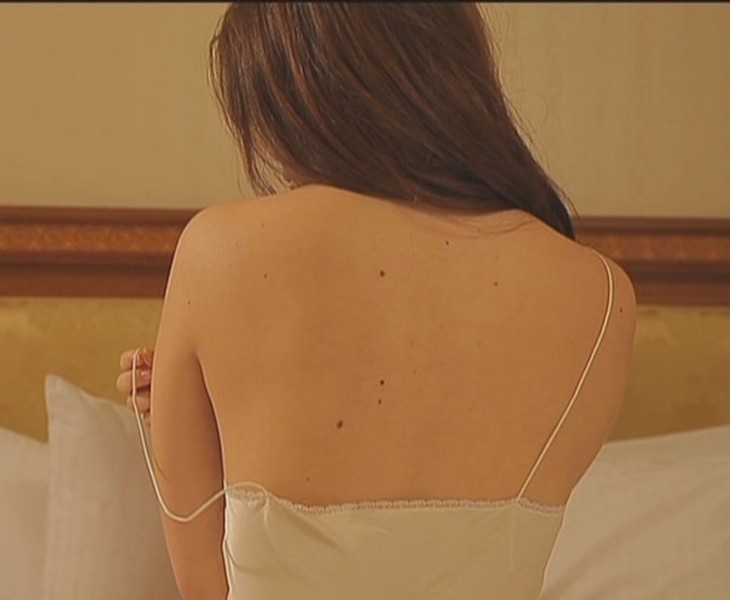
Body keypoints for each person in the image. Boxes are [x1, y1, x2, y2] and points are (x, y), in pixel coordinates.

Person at [116, 4, 637, 599]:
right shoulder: (602, 295)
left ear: (292, 98)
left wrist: (187, 428)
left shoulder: (220, 250)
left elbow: (206, 591)